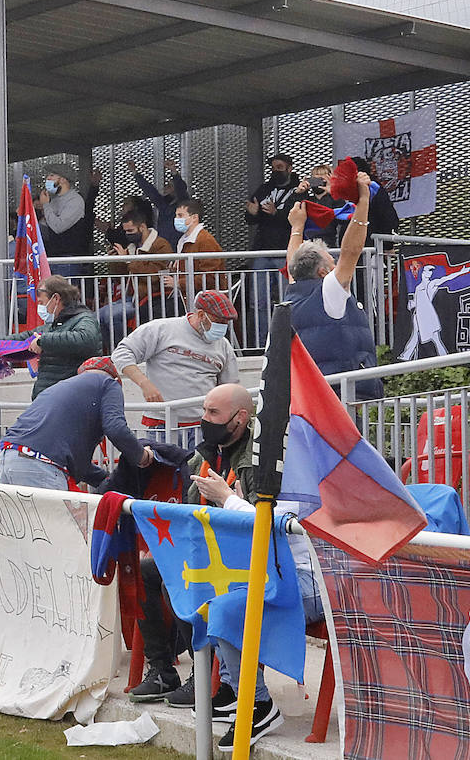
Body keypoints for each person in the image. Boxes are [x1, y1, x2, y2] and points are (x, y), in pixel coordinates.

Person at [129, 382, 262, 709]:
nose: (204, 419)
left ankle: (202, 673)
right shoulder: (207, 451)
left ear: (240, 418)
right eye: (204, 410)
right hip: (206, 544)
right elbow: (189, 509)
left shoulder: (257, 456)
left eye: (212, 412)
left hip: (242, 554)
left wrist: (227, 499)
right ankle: (162, 669)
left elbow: (259, 522)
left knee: (178, 577)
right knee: (144, 570)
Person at [192, 457, 324, 751]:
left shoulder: (314, 468)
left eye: (212, 411)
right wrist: (235, 501)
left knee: (229, 610)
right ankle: (232, 689)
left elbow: (272, 529)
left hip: (316, 581)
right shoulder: (281, 464)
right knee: (212, 595)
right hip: (281, 573)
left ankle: (257, 704)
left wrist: (227, 500)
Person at [284, 172, 382, 400]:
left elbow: (292, 261)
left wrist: (297, 227)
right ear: (323, 272)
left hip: (314, 395)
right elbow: (351, 251)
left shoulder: (294, 290)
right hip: (342, 395)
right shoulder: (328, 291)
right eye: (331, 261)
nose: (336, 263)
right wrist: (363, 202)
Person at [0, 358, 152, 491]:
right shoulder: (108, 383)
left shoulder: (59, 387)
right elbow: (116, 429)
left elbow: (78, 463)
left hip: (7, 457)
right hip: (40, 463)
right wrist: (142, 456)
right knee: (56, 526)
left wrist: (107, 480)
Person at [112, 290, 241, 450]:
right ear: (201, 315)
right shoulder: (162, 329)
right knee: (161, 473)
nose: (222, 327)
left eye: (225, 323)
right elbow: (121, 353)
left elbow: (230, 388)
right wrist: (144, 384)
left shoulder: (223, 346)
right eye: (218, 322)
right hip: (162, 424)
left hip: (203, 428)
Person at [0, 275, 102, 399]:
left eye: (42, 303)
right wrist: (0, 345)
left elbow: (85, 338)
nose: (40, 308)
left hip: (70, 398)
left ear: (56, 298)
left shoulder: (85, 319)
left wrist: (42, 341)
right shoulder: (55, 324)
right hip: (50, 398)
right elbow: (26, 337)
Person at [244, 154, 300, 342]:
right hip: (263, 250)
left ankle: (289, 342)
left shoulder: (297, 190)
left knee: (288, 301)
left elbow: (296, 218)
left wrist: (277, 214)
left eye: (280, 167)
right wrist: (252, 214)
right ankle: (261, 343)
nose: (276, 170)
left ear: (289, 168)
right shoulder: (265, 189)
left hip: (285, 251)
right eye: (273, 167)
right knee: (259, 302)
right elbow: (252, 217)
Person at [98, 209, 174, 341]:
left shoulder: (161, 246)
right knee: (97, 316)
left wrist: (128, 260)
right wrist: (116, 261)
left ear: (142, 227)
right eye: (125, 231)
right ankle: (109, 351)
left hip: (149, 298)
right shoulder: (132, 247)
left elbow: (155, 274)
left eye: (130, 231)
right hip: (132, 297)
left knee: (111, 315)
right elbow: (121, 275)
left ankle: (121, 350)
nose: (127, 235)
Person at [399, 263, 470, 359]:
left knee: (435, 338)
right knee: (415, 337)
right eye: (426, 271)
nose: (428, 273)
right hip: (418, 316)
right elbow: (417, 302)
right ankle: (406, 356)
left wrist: (460, 272)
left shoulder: (432, 284)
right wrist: (412, 304)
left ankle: (445, 357)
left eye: (430, 271)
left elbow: (446, 278)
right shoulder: (418, 287)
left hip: (427, 315)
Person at [164, 198, 226, 308]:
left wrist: (178, 283)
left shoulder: (205, 240)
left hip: (203, 301)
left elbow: (210, 278)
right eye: (176, 215)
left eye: (180, 215)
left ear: (194, 218)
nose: (176, 219)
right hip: (190, 297)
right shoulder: (184, 240)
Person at [35, 168, 89, 276]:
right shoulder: (54, 201)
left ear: (63, 179)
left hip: (68, 260)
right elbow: (46, 230)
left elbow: (58, 227)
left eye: (52, 175)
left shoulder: (75, 200)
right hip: (52, 257)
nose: (47, 179)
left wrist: (46, 205)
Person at [126, 157, 190, 247]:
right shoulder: (163, 204)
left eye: (170, 185)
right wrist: (135, 172)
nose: (166, 187)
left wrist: (174, 171)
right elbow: (150, 191)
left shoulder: (183, 203)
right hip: (163, 245)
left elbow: (181, 189)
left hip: (178, 245)